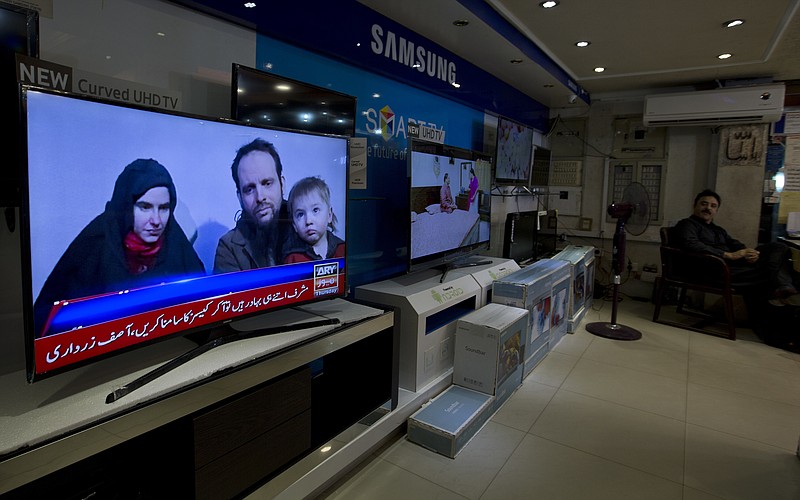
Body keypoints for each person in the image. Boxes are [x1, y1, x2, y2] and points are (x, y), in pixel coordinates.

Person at [33, 158, 205, 338]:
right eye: (145, 207)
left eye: (163, 208)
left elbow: (202, 316)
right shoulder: (95, 245)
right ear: (126, 207)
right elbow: (50, 325)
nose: (156, 220)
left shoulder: (176, 246)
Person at [672, 189, 799, 306]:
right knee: (773, 273)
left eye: (713, 206)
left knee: (779, 247)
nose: (708, 208)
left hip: (732, 266)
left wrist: (750, 253)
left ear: (716, 210)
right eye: (704, 204)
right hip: (712, 270)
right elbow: (691, 244)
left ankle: (783, 286)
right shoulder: (686, 224)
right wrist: (728, 255)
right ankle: (783, 288)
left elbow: (736, 244)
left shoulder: (718, 230)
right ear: (695, 205)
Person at [214, 138, 290, 273]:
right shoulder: (229, 248)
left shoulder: (309, 225)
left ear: (282, 184)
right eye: (249, 189)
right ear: (239, 197)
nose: (260, 197)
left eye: (267, 183)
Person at [283, 176, 345, 263]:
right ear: (294, 225)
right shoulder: (292, 258)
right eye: (300, 214)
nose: (308, 221)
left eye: (315, 210)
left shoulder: (343, 249)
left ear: (329, 215)